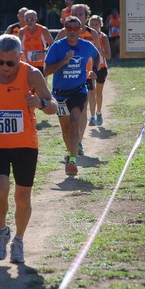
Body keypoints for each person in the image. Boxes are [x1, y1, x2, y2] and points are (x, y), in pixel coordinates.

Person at [0, 34, 57, 263]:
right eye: (0, 62)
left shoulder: (31, 74)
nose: (5, 67)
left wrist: (40, 103)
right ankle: (2, 232)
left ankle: (19, 240)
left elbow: (53, 105)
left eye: (10, 63)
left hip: (25, 144)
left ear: (20, 58)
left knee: (22, 196)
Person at [44, 16, 99, 177]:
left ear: (81, 30)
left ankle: (73, 160)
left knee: (75, 122)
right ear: (65, 29)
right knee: (65, 127)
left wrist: (93, 70)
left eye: (76, 28)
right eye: (69, 28)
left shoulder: (86, 46)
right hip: (60, 94)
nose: (73, 32)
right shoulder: (57, 47)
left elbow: (96, 56)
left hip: (79, 91)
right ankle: (70, 153)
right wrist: (64, 60)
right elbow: (46, 71)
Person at [55, 3, 100, 152]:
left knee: (82, 110)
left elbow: (96, 54)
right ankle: (71, 141)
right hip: (66, 78)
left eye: (81, 14)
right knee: (64, 116)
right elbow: (53, 52)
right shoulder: (63, 32)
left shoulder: (92, 33)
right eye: (74, 14)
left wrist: (94, 70)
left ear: (86, 17)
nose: (78, 16)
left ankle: (78, 142)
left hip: (85, 76)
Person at [88, 14, 111, 126]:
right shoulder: (86, 36)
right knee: (91, 92)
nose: (94, 26)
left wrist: (99, 50)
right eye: (92, 24)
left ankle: (98, 112)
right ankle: (92, 117)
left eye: (96, 24)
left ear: (100, 25)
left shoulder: (103, 37)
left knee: (98, 92)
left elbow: (109, 56)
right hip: (89, 68)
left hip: (101, 67)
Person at [18, 9, 54, 75]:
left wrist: (44, 52)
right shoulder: (21, 32)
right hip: (26, 63)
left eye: (32, 19)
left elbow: (52, 45)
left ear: (36, 19)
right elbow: (19, 47)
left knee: (41, 84)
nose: (29, 22)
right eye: (27, 20)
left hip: (42, 63)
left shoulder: (43, 30)